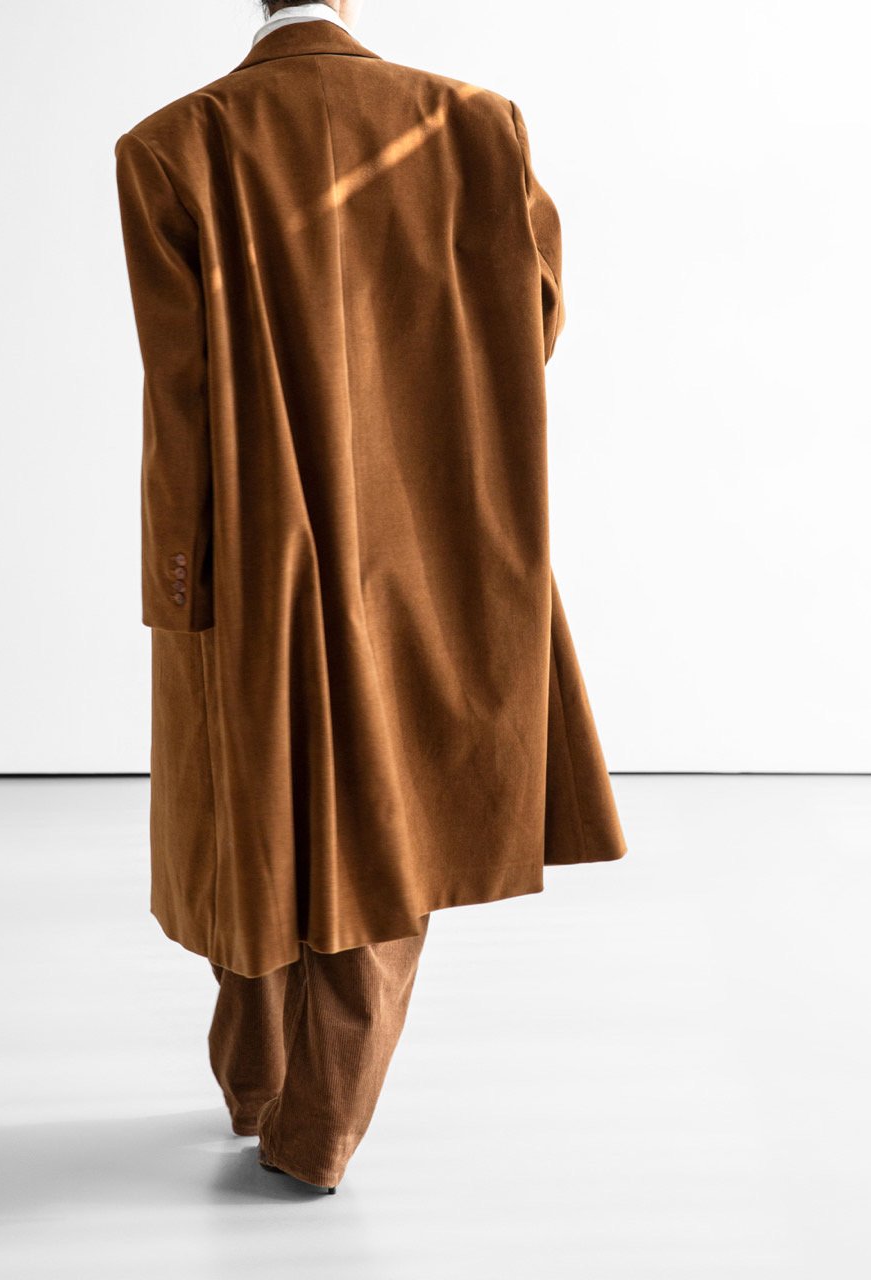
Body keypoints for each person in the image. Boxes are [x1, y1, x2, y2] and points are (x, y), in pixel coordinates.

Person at [113, 0, 627, 1194]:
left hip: (253, 542)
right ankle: (319, 1123)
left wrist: (178, 580)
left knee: (249, 808)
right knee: (397, 813)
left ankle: (257, 1080)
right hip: (438, 529)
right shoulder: (475, 124)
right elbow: (535, 318)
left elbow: (181, 394)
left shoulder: (169, 147)